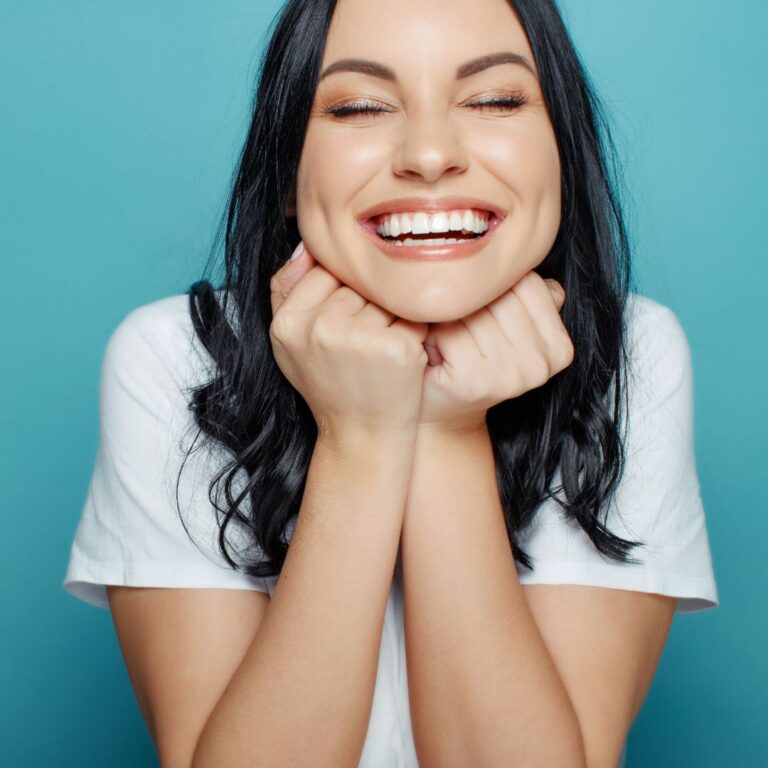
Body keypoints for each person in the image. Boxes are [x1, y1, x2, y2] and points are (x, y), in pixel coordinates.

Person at [62, 0, 719, 765]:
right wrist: (362, 439)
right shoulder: (177, 358)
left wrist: (448, 429)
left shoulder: (631, 354)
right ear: (286, 172)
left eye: (495, 99)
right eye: (360, 106)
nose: (431, 154)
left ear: (562, 152)